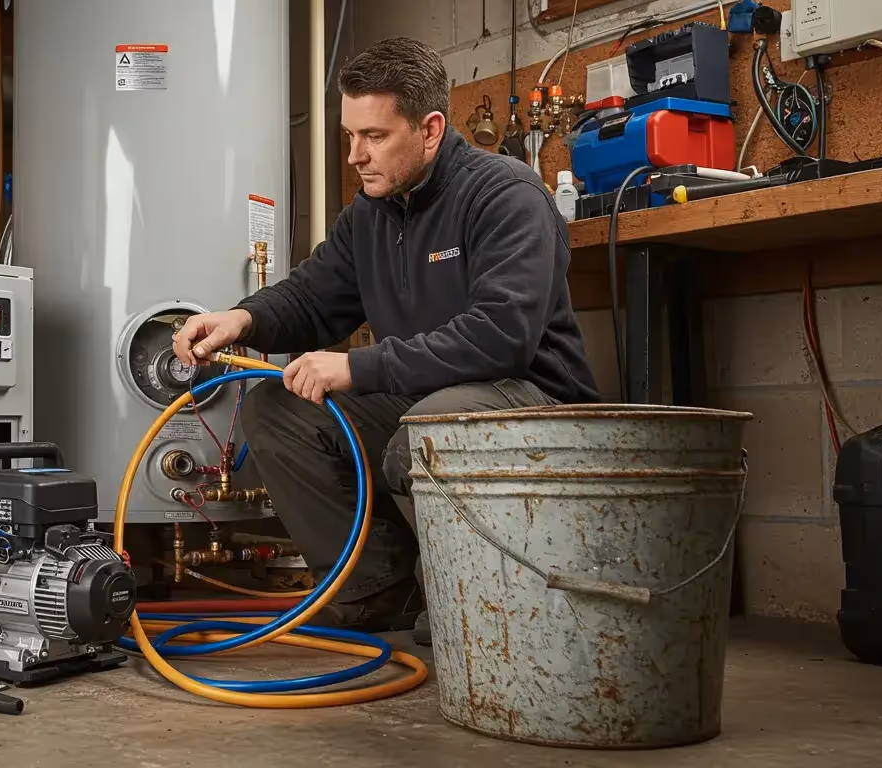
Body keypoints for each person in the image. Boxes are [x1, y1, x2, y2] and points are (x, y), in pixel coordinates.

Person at [172, 37, 600, 645]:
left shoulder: (505, 196)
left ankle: (474, 599)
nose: (355, 155)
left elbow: (501, 336)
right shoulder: (371, 212)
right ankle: (372, 593)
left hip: (528, 397)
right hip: (428, 395)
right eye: (350, 135)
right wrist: (241, 319)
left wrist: (357, 367)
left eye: (374, 136)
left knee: (425, 433)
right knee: (276, 410)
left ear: (430, 130)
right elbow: (314, 297)